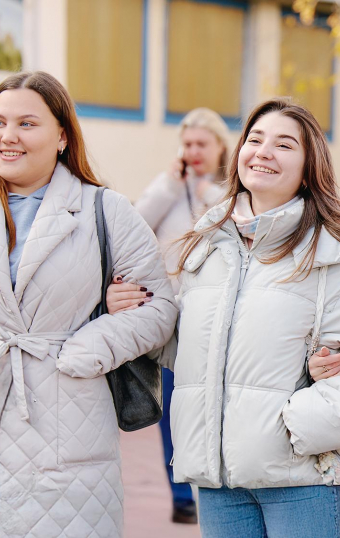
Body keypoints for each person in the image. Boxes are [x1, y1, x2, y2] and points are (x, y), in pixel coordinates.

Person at [0, 71, 177, 537]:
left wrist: (89, 347)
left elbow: (158, 309)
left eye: (27, 124)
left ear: (63, 136)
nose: (7, 136)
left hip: (68, 424)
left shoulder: (105, 210)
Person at [145, 98, 340, 538]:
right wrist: (139, 310)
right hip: (218, 483)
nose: (263, 151)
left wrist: (296, 430)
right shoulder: (208, 247)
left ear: (309, 168)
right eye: (255, 139)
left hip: (298, 483)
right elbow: (184, 350)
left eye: (284, 144)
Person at [108, 107, 232, 524]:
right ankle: (181, 496)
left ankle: (218, 484)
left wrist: (204, 192)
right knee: (173, 408)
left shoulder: (234, 188)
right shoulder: (168, 187)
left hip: (217, 319)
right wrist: (171, 184)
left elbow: (233, 227)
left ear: (220, 147)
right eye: (189, 143)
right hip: (172, 319)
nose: (194, 151)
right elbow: (136, 223)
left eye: (203, 144)